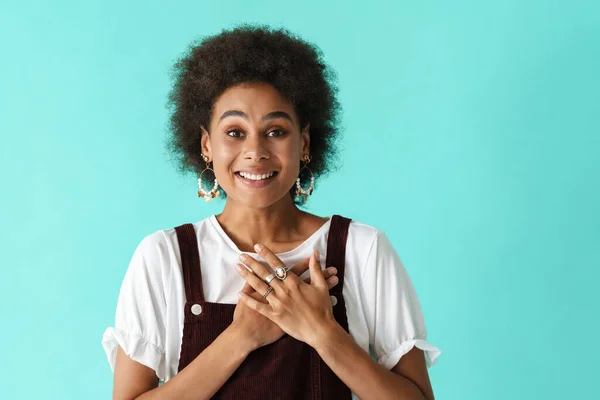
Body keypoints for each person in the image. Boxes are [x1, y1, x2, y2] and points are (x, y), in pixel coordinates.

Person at [102, 25, 441, 400]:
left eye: (276, 131)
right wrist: (240, 337)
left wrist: (322, 332)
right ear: (206, 145)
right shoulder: (164, 257)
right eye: (234, 132)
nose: (255, 151)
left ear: (305, 143)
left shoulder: (363, 250)